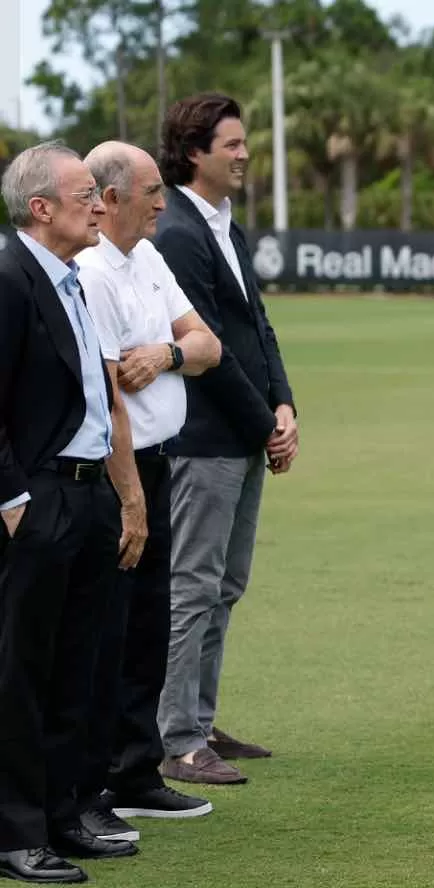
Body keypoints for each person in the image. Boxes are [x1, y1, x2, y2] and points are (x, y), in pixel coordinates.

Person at [0, 141, 147, 883]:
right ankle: (15, 833)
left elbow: (95, 394)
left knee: (73, 670)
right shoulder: (9, 280)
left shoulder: (69, 280)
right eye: (85, 194)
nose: (98, 205)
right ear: (41, 208)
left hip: (87, 495)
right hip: (40, 500)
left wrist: (118, 494)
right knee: (21, 674)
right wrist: (13, 501)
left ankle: (62, 815)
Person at [75, 141, 223, 842]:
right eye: (152, 191)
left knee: (146, 629)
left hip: (160, 463)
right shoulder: (93, 272)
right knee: (104, 633)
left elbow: (206, 346)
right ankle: (93, 782)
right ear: (110, 199)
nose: (164, 203)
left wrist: (167, 353)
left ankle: (136, 771)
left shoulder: (149, 258)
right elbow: (109, 398)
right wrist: (129, 498)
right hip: (119, 474)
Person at [152, 94, 298, 786]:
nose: (244, 154)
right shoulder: (179, 232)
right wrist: (266, 424)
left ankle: (200, 723)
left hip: (242, 435)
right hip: (204, 439)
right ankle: (177, 740)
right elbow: (206, 349)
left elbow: (257, 326)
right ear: (194, 153)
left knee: (225, 584)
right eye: (231, 144)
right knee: (193, 588)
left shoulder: (223, 223)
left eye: (243, 142)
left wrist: (285, 402)